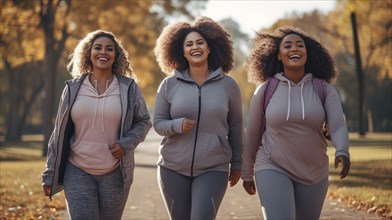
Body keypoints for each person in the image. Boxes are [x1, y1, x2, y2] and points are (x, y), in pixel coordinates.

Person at [241, 26, 351, 220]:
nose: (294, 49)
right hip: (272, 165)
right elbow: (253, 133)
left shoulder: (324, 89)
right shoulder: (266, 90)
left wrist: (342, 151)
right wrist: (247, 172)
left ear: (308, 54)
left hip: (314, 171)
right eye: (288, 45)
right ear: (278, 55)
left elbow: (338, 124)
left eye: (300, 45)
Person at [41, 30, 152, 220]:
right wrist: (49, 172)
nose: (103, 52)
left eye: (109, 49)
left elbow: (143, 121)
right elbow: (58, 133)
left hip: (115, 173)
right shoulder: (72, 88)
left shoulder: (128, 88)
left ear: (116, 56)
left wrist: (126, 144)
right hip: (77, 169)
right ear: (88, 53)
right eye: (98, 48)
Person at [153, 16, 244, 220]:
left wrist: (238, 163)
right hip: (172, 167)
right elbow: (158, 123)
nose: (195, 47)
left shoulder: (228, 86)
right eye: (189, 44)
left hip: (213, 167)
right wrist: (177, 125)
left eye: (200, 42)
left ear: (210, 48)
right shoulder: (169, 84)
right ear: (182, 51)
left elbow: (237, 126)